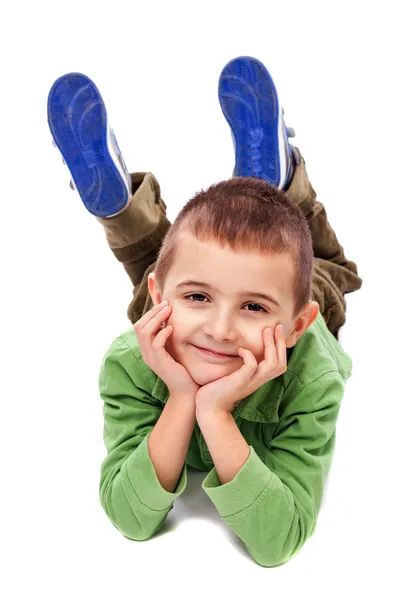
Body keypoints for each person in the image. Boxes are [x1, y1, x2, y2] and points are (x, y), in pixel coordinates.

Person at [47, 56, 363, 567]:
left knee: (321, 276)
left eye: (254, 307)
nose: (220, 330)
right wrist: (180, 397)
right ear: (158, 298)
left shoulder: (312, 374)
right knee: (214, 265)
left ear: (296, 326)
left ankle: (125, 208)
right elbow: (129, 518)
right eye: (198, 299)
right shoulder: (133, 358)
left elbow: (280, 540)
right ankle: (276, 183)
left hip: (280, 304)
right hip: (178, 316)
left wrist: (212, 410)